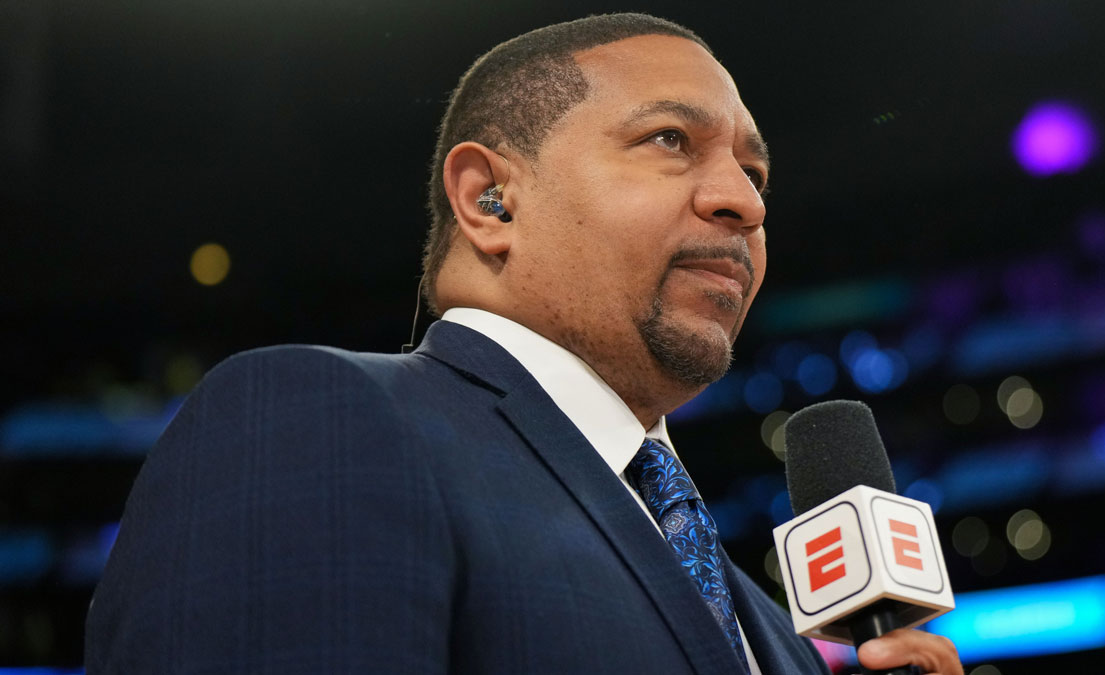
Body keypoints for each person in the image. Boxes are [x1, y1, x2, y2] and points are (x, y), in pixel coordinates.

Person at [86, 13, 961, 674]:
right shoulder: (309, 422)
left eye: (755, 172)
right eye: (670, 141)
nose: (746, 201)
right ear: (491, 200)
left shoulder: (772, 631)